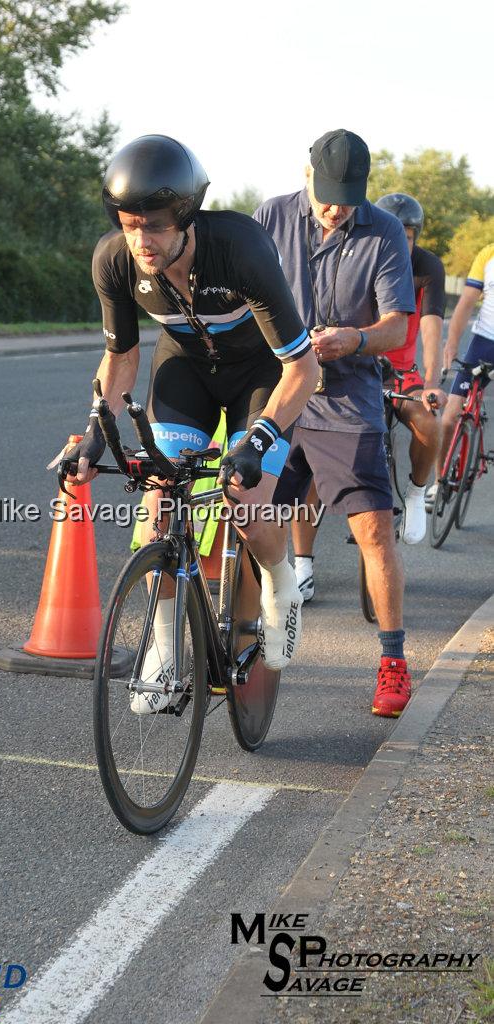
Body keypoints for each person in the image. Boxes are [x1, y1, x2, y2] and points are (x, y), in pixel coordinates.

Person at [65, 134, 319, 714]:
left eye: (154, 225)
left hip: (262, 373)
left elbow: (302, 369)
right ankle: (163, 650)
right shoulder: (114, 260)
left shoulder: (240, 249)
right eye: (130, 225)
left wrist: (260, 438)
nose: (141, 240)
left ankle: (281, 583)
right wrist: (95, 429)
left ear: (185, 218)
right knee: (160, 513)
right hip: (185, 372)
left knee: (248, 505)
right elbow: (123, 359)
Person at [254, 129, 417, 718]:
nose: (334, 206)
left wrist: (356, 339)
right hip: (275, 395)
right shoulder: (269, 217)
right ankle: (257, 628)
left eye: (347, 196)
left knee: (374, 530)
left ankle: (394, 663)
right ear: (307, 175)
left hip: (348, 403)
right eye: (326, 193)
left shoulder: (385, 231)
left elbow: (397, 328)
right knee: (248, 515)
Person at [373, 194, 446, 543]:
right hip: (358, 371)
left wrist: (432, 381)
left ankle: (416, 494)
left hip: (405, 375)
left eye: (409, 235)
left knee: (429, 422)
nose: (401, 243)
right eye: (394, 233)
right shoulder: (362, 259)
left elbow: (432, 325)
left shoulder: (427, 266)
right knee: (308, 455)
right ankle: (304, 563)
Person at [431, 241, 494, 492]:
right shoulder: (488, 253)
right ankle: (439, 481)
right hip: (483, 342)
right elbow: (466, 303)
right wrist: (452, 344)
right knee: (449, 418)